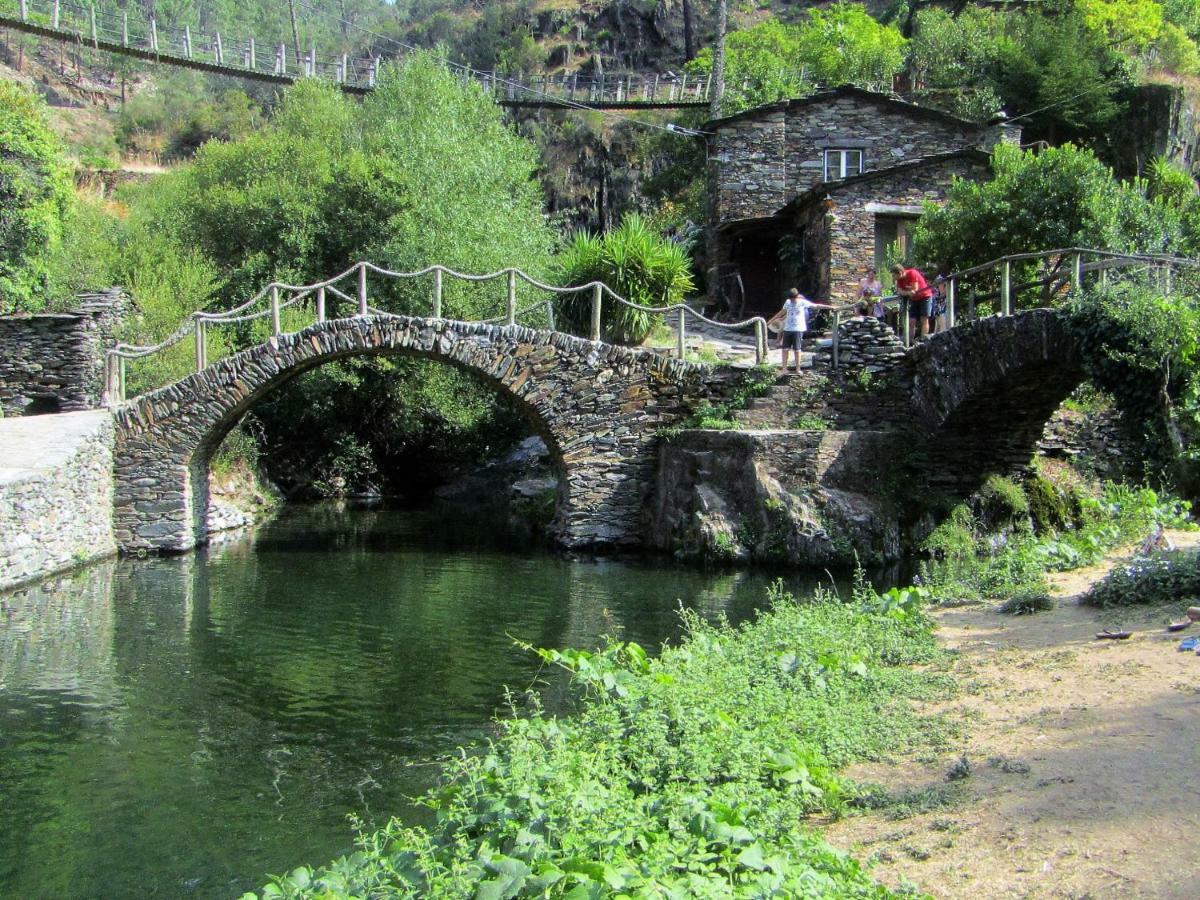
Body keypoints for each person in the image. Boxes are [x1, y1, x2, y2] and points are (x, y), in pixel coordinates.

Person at [767, 288, 833, 374]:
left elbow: (816, 305)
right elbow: (781, 312)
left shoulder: (802, 302)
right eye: (791, 298)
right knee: (785, 349)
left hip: (798, 329)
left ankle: (798, 369)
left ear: (797, 296)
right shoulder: (787, 302)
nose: (792, 300)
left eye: (793, 298)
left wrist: (830, 307)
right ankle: (784, 368)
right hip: (787, 329)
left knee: (797, 349)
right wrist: (771, 320)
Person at [891, 263, 934, 342]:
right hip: (914, 299)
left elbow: (915, 289)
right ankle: (910, 341)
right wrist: (908, 292)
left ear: (900, 273)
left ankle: (923, 341)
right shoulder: (899, 280)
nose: (893, 278)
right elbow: (900, 291)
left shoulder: (912, 273)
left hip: (925, 296)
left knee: (923, 319)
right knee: (911, 321)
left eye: (894, 275)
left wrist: (907, 291)